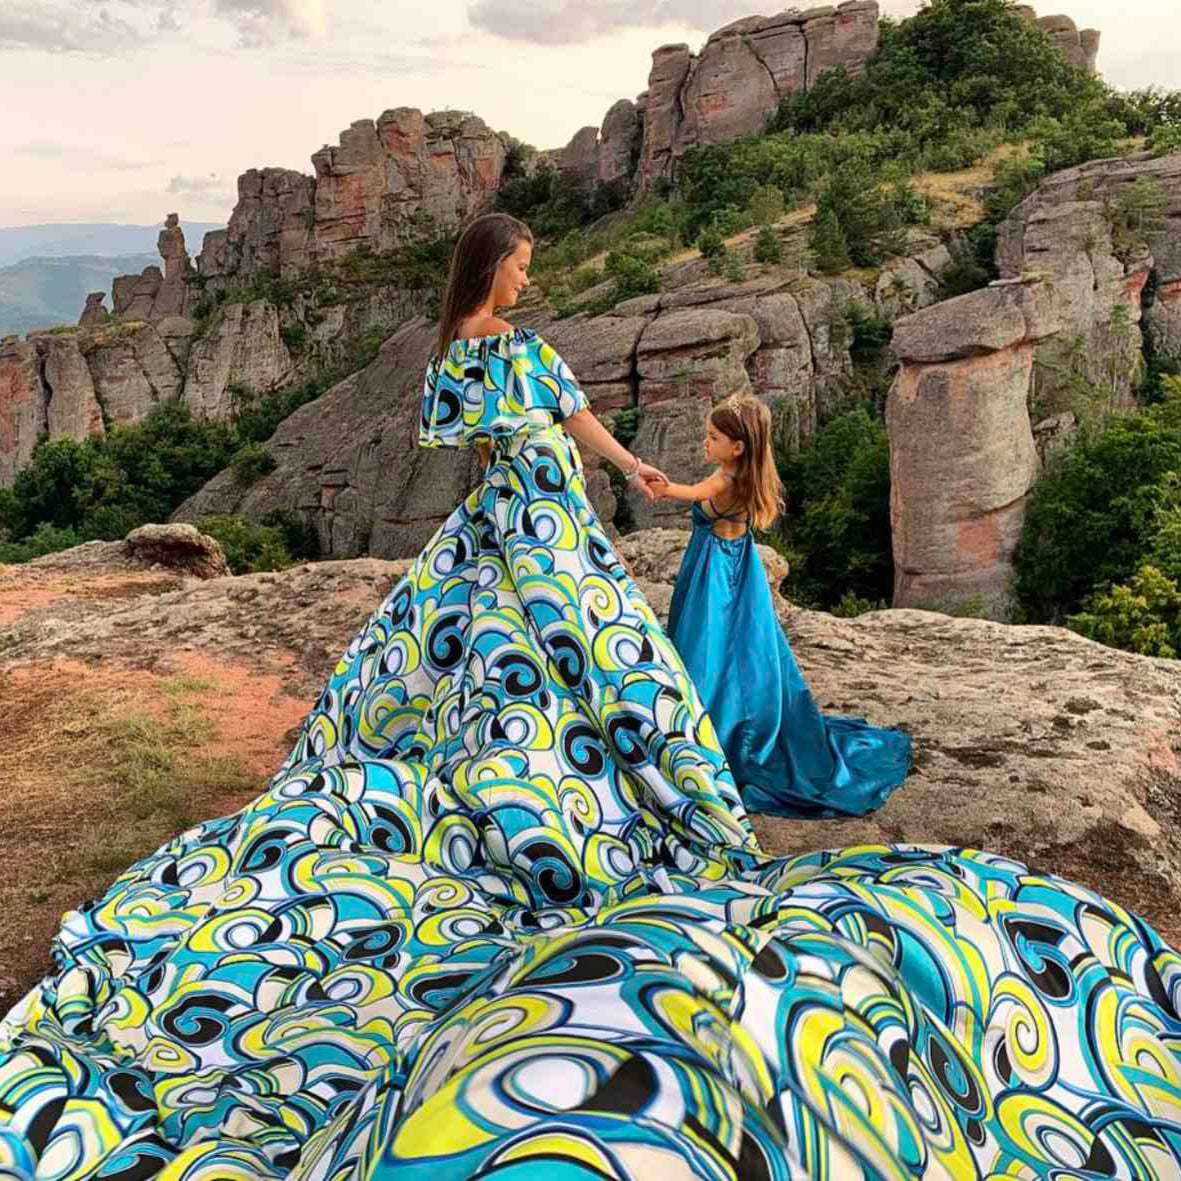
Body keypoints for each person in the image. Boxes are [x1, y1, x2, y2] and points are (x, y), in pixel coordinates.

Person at [1, 212, 1179, 1181]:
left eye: (525, 265)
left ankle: (597, 765)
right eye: (517, 263)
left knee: (586, 644)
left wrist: (626, 471)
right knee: (493, 645)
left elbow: (579, 424)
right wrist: (538, 444)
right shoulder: (468, 348)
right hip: (516, 511)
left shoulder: (510, 347)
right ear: (489, 265)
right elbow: (453, 429)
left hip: (549, 506)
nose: (528, 275)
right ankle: (528, 768)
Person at [650, 393, 912, 818]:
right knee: (746, 649)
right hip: (741, 566)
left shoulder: (725, 480)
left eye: (712, 437)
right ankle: (737, 716)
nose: (705, 442)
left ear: (737, 447)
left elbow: (691, 491)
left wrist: (659, 486)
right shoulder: (750, 477)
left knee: (708, 646)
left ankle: (714, 731)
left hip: (715, 571)